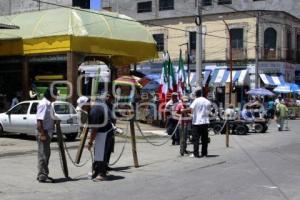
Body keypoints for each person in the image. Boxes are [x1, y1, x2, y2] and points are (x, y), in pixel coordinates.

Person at [87, 98, 114, 181]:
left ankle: (102, 173)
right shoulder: (97, 106)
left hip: (104, 132)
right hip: (104, 131)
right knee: (98, 152)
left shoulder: (94, 111)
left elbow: (94, 129)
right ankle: (97, 170)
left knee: (101, 153)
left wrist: (90, 142)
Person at [36, 86, 58, 183]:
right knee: (43, 154)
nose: (57, 96)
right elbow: (39, 121)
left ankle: (42, 174)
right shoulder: (44, 104)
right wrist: (42, 134)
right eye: (55, 94)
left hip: (47, 132)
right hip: (44, 132)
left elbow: (48, 117)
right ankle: (43, 175)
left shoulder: (49, 104)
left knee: (45, 154)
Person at [189, 89, 211, 158]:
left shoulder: (196, 100)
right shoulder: (207, 101)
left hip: (197, 122)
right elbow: (209, 111)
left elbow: (191, 109)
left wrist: (185, 111)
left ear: (196, 94)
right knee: (204, 139)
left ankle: (196, 154)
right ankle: (204, 153)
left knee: (196, 139)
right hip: (205, 122)